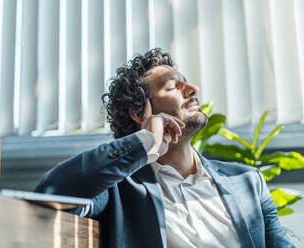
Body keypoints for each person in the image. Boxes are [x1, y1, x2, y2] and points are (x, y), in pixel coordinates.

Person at [34, 48, 294, 248]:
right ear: (139, 113)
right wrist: (144, 142)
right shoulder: (117, 190)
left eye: (186, 83)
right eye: (172, 87)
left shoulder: (247, 182)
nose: (193, 90)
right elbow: (50, 193)